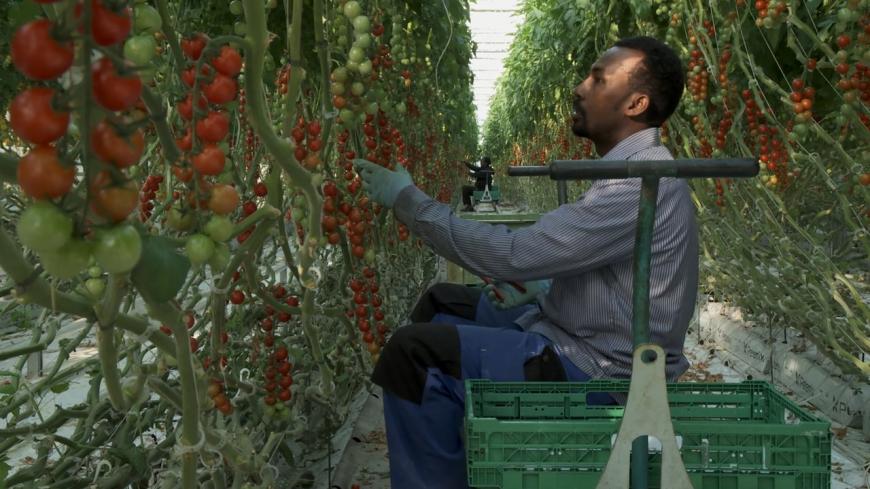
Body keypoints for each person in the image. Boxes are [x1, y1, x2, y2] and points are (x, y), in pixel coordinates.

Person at [353, 36, 694, 489]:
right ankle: (458, 446)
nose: (579, 88)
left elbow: (515, 254)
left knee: (412, 356)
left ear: (636, 103)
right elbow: (594, 266)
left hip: (597, 372)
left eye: (597, 79)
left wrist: (409, 202)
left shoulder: (639, 184)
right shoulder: (630, 172)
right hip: (578, 337)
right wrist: (547, 288)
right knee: (443, 302)